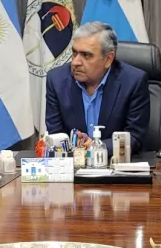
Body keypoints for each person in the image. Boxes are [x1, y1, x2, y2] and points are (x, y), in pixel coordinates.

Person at [44, 21, 151, 153]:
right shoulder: (56, 81)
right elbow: (56, 136)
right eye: (74, 53)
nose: (75, 62)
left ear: (108, 59)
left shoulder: (133, 82)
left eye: (86, 55)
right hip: (73, 162)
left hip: (115, 161)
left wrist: (94, 147)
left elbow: (134, 137)